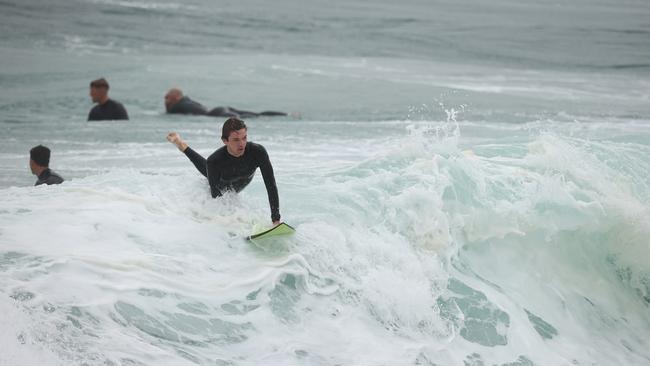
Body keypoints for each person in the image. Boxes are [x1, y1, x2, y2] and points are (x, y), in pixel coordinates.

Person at [167, 118, 281, 224]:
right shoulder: (215, 161)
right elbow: (216, 198)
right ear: (225, 141)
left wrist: (275, 219)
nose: (241, 144)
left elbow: (270, 184)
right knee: (205, 167)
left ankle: (181, 144)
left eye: (244, 138)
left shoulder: (258, 152)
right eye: (236, 139)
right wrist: (228, 220)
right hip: (221, 183)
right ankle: (180, 144)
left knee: (206, 166)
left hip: (238, 181)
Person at [164, 88, 287, 118]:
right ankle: (285, 115)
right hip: (219, 109)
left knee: (242, 118)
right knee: (257, 115)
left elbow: (169, 111)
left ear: (177, 97)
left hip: (215, 113)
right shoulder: (186, 101)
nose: (166, 100)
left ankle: (284, 115)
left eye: (168, 97)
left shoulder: (178, 105)